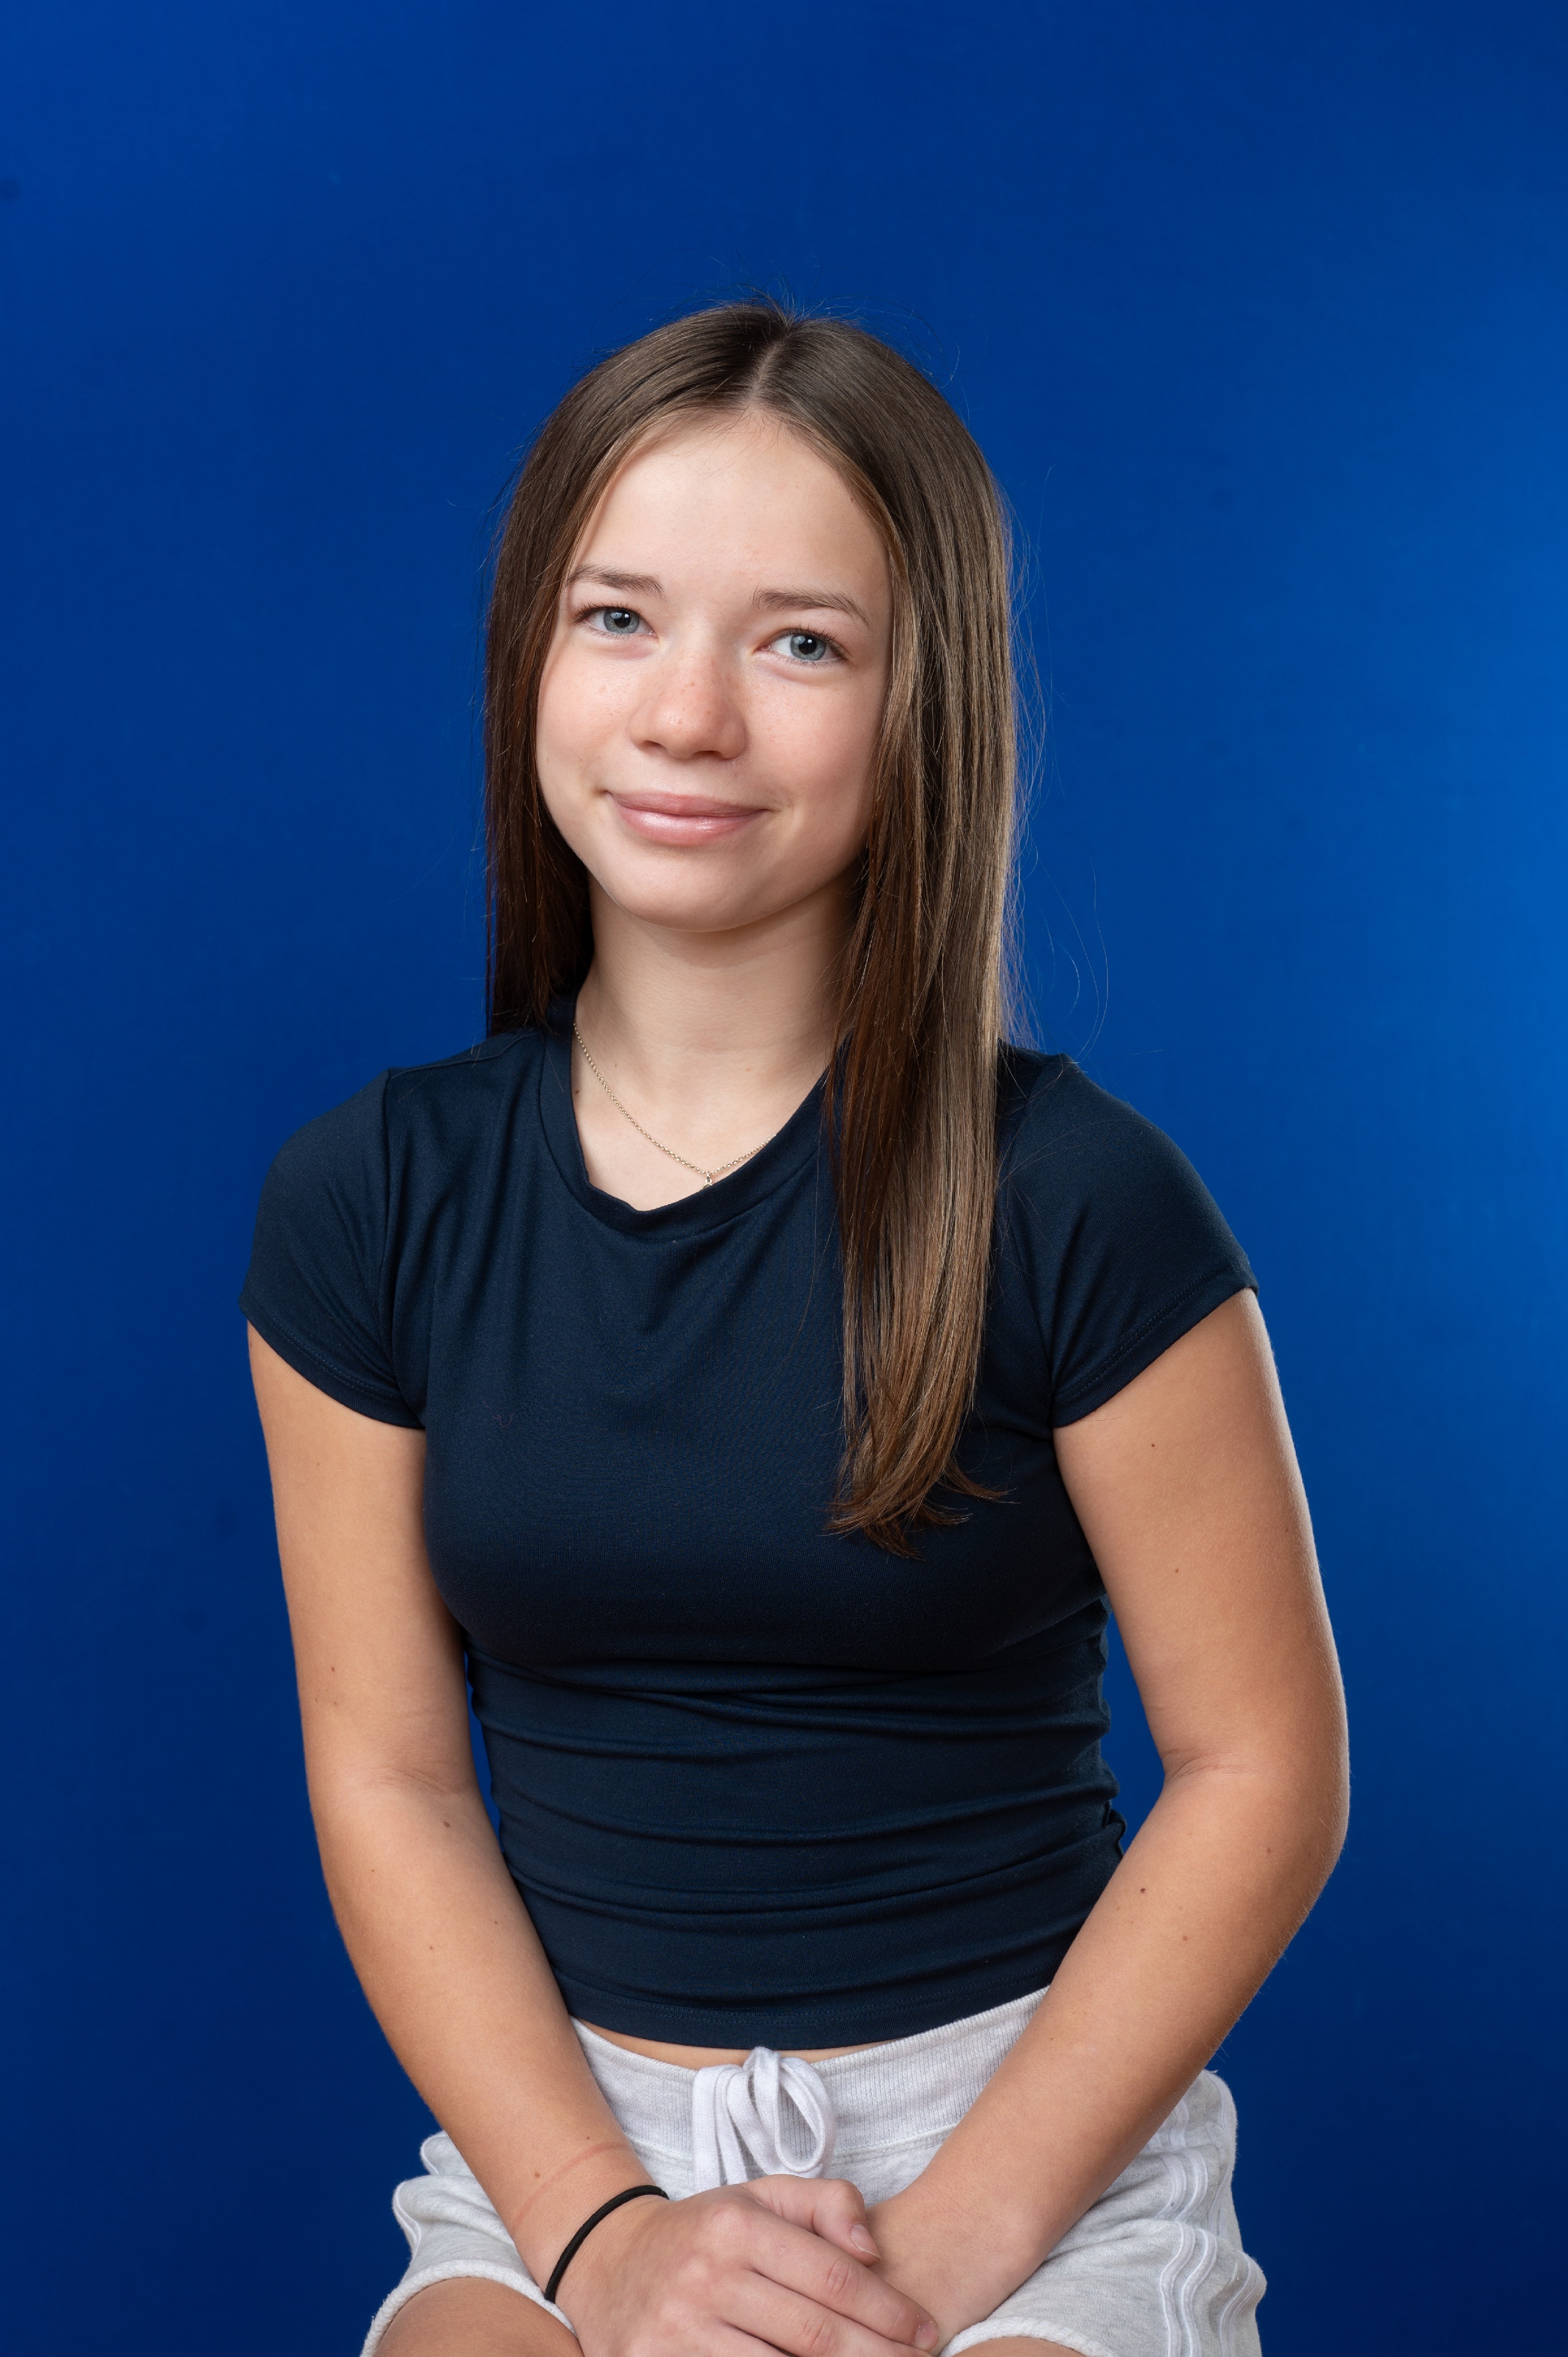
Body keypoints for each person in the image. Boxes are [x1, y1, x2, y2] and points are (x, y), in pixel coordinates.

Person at [242, 300, 1347, 2357]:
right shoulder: (368, 1202)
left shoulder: (1081, 1200)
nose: (687, 717)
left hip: (1025, 2141)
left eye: (801, 644)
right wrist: (609, 2240)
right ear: (529, 655)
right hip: (572, 2146)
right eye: (618, 617)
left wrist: (924, 2266)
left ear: (924, 705)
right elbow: (387, 1774)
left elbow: (1264, 1766)